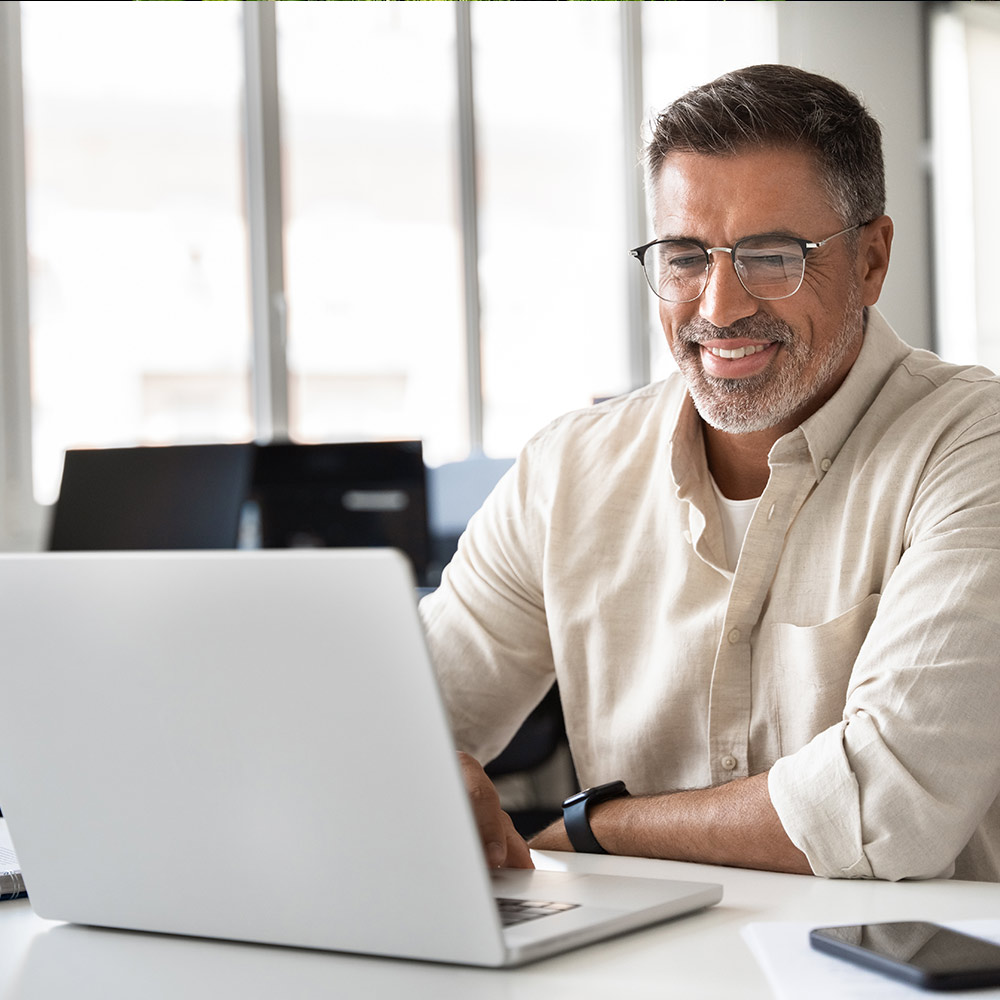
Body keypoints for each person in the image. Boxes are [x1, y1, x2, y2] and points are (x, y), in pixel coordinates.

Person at [419, 64, 1000, 882]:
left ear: (871, 260)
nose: (719, 306)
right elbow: (400, 723)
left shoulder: (974, 445)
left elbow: (886, 807)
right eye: (686, 256)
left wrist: (589, 833)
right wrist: (416, 776)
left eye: (772, 256)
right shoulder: (568, 470)